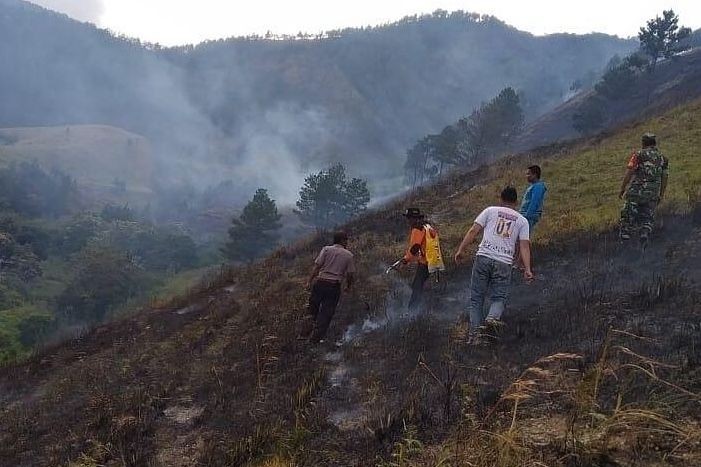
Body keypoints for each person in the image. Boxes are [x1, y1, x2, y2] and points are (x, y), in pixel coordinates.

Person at [454, 187, 533, 344]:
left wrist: (461, 249)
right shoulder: (522, 221)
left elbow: (473, 231)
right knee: (499, 298)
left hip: (483, 257)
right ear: (516, 202)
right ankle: (491, 322)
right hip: (504, 262)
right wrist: (528, 269)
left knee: (476, 299)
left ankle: (475, 337)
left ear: (501, 199)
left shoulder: (490, 211)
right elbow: (524, 246)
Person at [618, 133, 669, 244]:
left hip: (636, 191)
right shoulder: (663, 158)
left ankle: (625, 234)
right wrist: (661, 194)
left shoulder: (638, 154)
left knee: (628, 212)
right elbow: (664, 177)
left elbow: (630, 171)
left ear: (643, 143)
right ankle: (644, 233)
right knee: (647, 216)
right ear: (654, 143)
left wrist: (622, 189)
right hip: (652, 194)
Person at [306, 231, 355, 343]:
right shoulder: (348, 255)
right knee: (326, 313)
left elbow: (317, 267)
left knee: (312, 309)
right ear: (342, 241)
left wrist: (309, 281)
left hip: (320, 283)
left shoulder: (326, 249)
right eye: (346, 240)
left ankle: (305, 333)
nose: (347, 242)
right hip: (333, 287)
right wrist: (348, 287)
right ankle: (314, 340)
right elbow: (350, 274)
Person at [400, 208, 432, 310]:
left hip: (425, 263)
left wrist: (406, 259)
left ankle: (412, 312)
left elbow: (415, 247)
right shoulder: (426, 226)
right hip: (431, 260)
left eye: (408, 218)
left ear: (413, 218)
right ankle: (417, 309)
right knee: (418, 285)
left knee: (417, 287)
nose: (408, 221)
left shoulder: (417, 229)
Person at [520, 165, 547, 231]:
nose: (527, 176)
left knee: (523, 237)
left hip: (528, 217)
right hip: (526, 216)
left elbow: (534, 202)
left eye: (529, 174)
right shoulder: (534, 186)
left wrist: (526, 216)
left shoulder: (538, 187)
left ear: (535, 175)